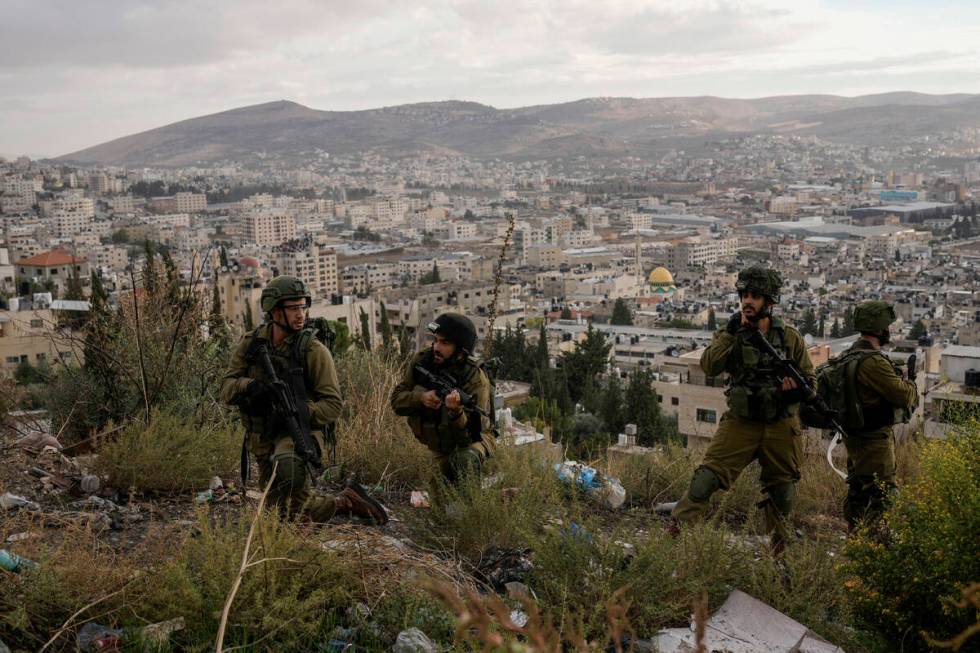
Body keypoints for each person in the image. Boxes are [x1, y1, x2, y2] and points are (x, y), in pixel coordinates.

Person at [221, 275, 387, 524]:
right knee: (280, 515)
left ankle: (326, 505)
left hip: (298, 430)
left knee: (287, 467)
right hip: (262, 435)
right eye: (293, 308)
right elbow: (226, 389)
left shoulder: (312, 350)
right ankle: (344, 502)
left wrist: (299, 410)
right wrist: (251, 386)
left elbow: (332, 405)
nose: (301, 314)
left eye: (303, 306)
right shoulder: (251, 344)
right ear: (275, 311)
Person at [671, 266, 814, 552]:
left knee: (782, 492)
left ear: (769, 302)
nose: (748, 302)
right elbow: (709, 365)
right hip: (741, 422)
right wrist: (731, 333)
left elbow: (811, 382)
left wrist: (795, 390)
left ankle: (780, 558)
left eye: (756, 296)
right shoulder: (731, 332)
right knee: (706, 479)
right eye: (744, 295)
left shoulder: (790, 338)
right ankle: (674, 543)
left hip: (780, 425)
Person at [391, 313, 496, 482]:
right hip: (439, 446)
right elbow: (396, 401)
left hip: (475, 439)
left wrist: (456, 413)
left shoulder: (475, 379)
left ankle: (471, 501)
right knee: (436, 491)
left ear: (461, 352)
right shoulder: (423, 361)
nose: (436, 347)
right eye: (436, 340)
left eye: (445, 343)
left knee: (465, 459)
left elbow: (470, 436)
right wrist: (421, 398)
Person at [840, 301, 917, 529]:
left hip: (855, 437)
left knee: (859, 491)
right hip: (874, 442)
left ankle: (856, 540)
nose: (889, 331)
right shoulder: (872, 362)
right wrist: (910, 381)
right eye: (887, 327)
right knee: (882, 496)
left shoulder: (850, 354)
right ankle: (872, 550)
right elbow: (904, 396)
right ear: (879, 328)